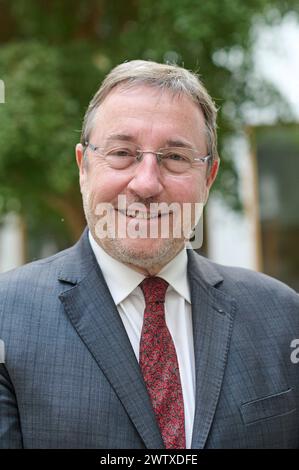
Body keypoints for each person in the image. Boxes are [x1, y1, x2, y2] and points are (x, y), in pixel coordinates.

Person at [0, 60, 298, 449]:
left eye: (175, 157)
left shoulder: (283, 316)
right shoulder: (7, 317)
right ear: (84, 166)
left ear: (208, 178)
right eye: (122, 152)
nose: (146, 183)